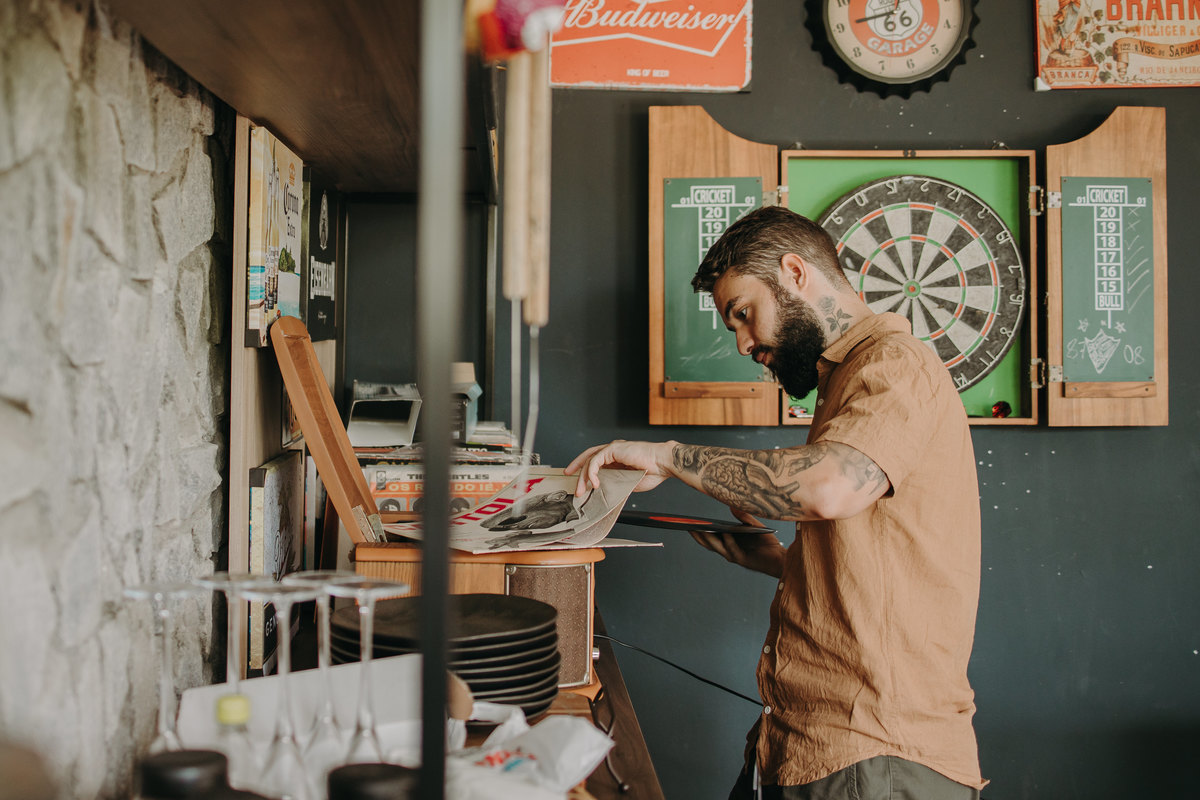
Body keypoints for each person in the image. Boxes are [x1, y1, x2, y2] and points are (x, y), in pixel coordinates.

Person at [566, 206, 985, 799]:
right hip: (802, 743)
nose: (742, 343)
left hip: (874, 755)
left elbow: (828, 487)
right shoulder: (844, 376)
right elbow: (878, 568)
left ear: (794, 272)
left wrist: (668, 457)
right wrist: (779, 563)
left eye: (743, 314)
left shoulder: (895, 364)